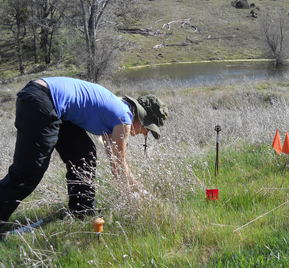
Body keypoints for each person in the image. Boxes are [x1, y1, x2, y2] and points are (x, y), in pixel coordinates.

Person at [0, 77, 168, 224]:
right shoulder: (123, 118)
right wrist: (142, 196)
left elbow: (116, 163)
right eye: (147, 130)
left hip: (50, 102)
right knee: (29, 172)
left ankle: (82, 211)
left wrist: (135, 191)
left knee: (84, 154)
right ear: (141, 117)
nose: (143, 133)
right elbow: (119, 169)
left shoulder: (117, 110)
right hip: (41, 99)